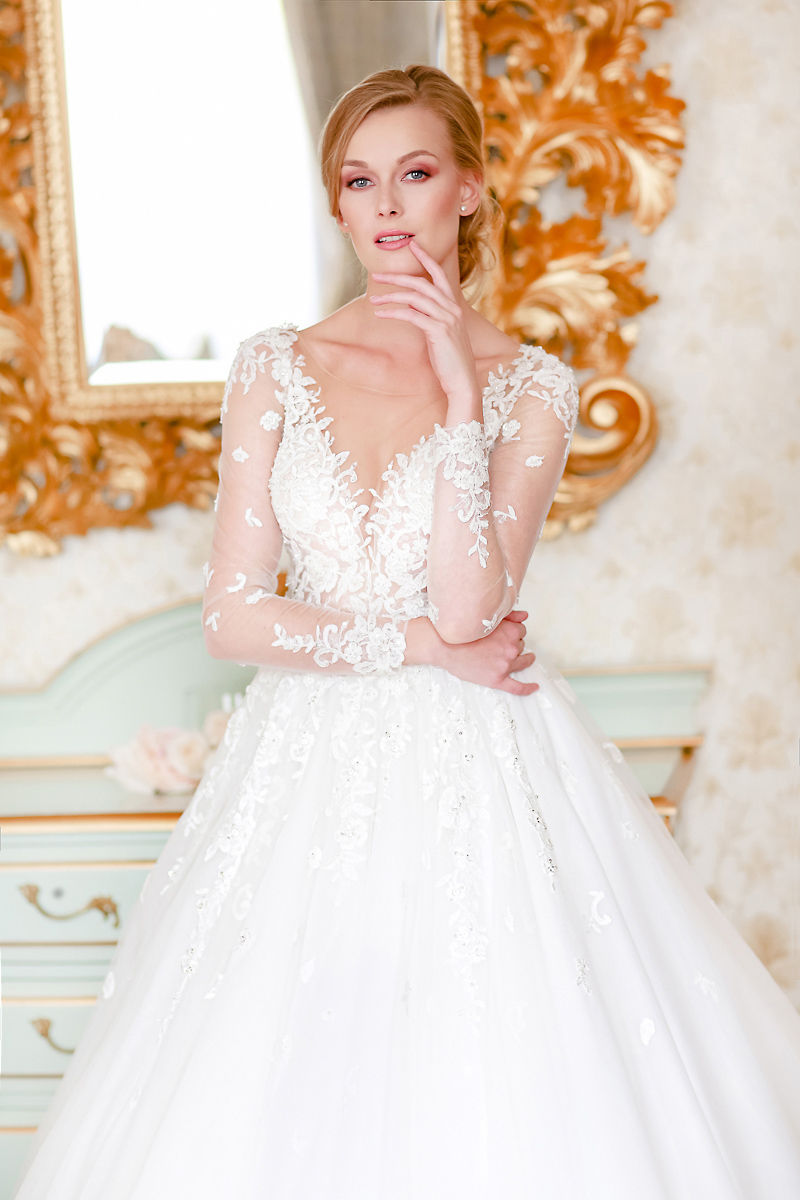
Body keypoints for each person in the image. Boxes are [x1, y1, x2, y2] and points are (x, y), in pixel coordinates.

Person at [13, 64, 800, 1200]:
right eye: (358, 180)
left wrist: (460, 396)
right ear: (336, 204)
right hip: (304, 767)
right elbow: (232, 615)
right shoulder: (275, 366)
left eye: (415, 173)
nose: (385, 205)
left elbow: (473, 609)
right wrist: (418, 648)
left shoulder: (531, 386)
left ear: (468, 190)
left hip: (485, 763)